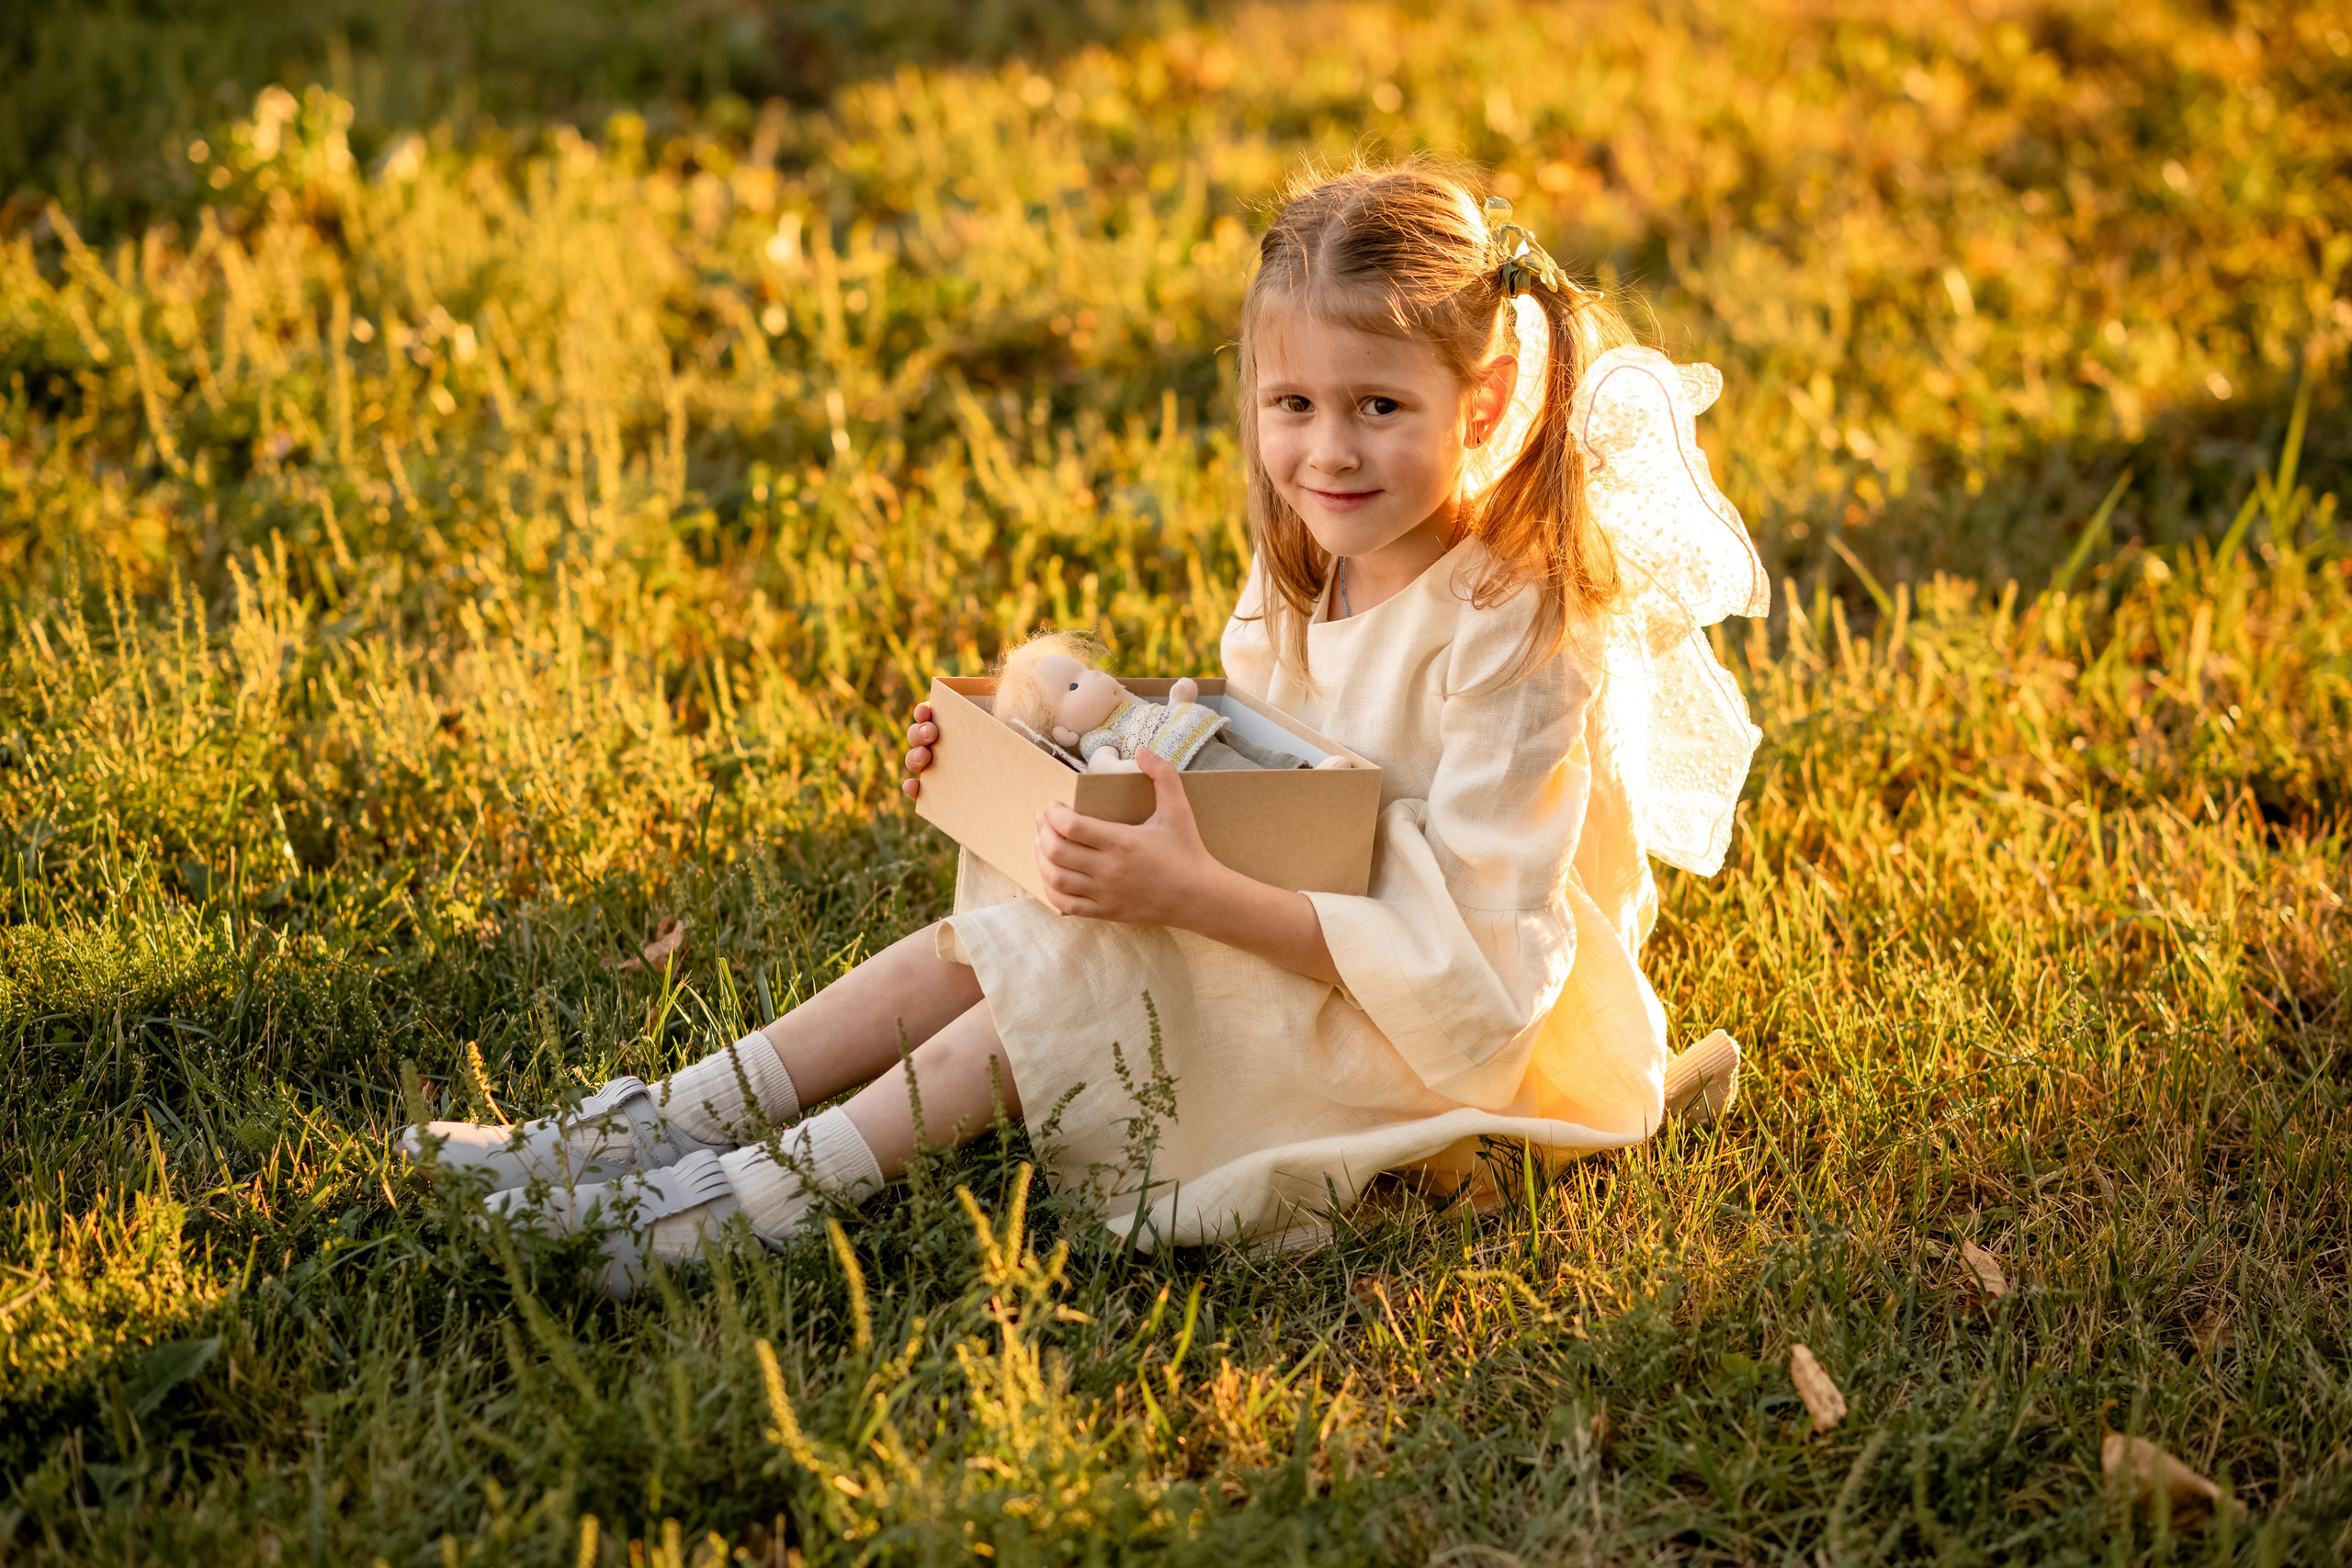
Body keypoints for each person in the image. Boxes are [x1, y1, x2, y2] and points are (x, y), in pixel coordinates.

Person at [399, 160, 1767, 1295]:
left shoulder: (1518, 631)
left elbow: (1482, 977)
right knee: (971, 940)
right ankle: (651, 1129)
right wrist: (1064, 751)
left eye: (1379, 409)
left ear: (1478, 406)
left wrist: (1192, 892)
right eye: (1293, 406)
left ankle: (749, 1205)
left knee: (1047, 986)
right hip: (1305, 908)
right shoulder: (1319, 554)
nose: (1328, 455)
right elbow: (1280, 767)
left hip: (1423, 1016)